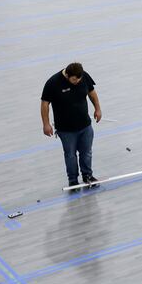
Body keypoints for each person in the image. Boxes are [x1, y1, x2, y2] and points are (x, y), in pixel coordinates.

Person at [41, 61, 102, 189]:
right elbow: (45, 104)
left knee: (87, 153)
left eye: (79, 79)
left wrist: (97, 109)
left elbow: (92, 92)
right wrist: (46, 124)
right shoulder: (53, 83)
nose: (77, 82)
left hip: (85, 125)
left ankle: (87, 176)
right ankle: (73, 180)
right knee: (70, 156)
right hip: (66, 129)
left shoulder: (83, 76)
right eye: (74, 80)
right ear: (67, 75)